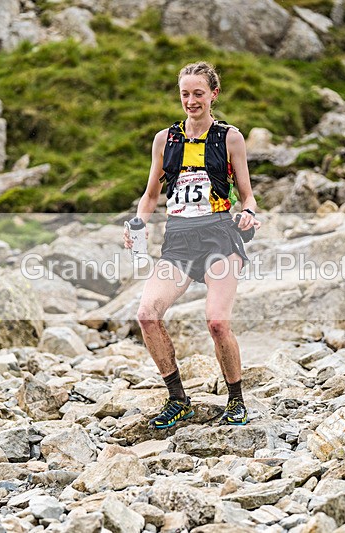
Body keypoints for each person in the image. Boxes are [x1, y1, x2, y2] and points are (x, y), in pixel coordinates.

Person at [124, 61, 261, 429]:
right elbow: (151, 196)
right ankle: (178, 400)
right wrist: (138, 222)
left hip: (219, 234)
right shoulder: (164, 139)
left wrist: (248, 214)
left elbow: (248, 197)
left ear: (213, 94)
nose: (191, 101)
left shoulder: (230, 137)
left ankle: (236, 400)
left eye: (198, 93)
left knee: (217, 322)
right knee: (147, 314)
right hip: (180, 238)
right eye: (185, 94)